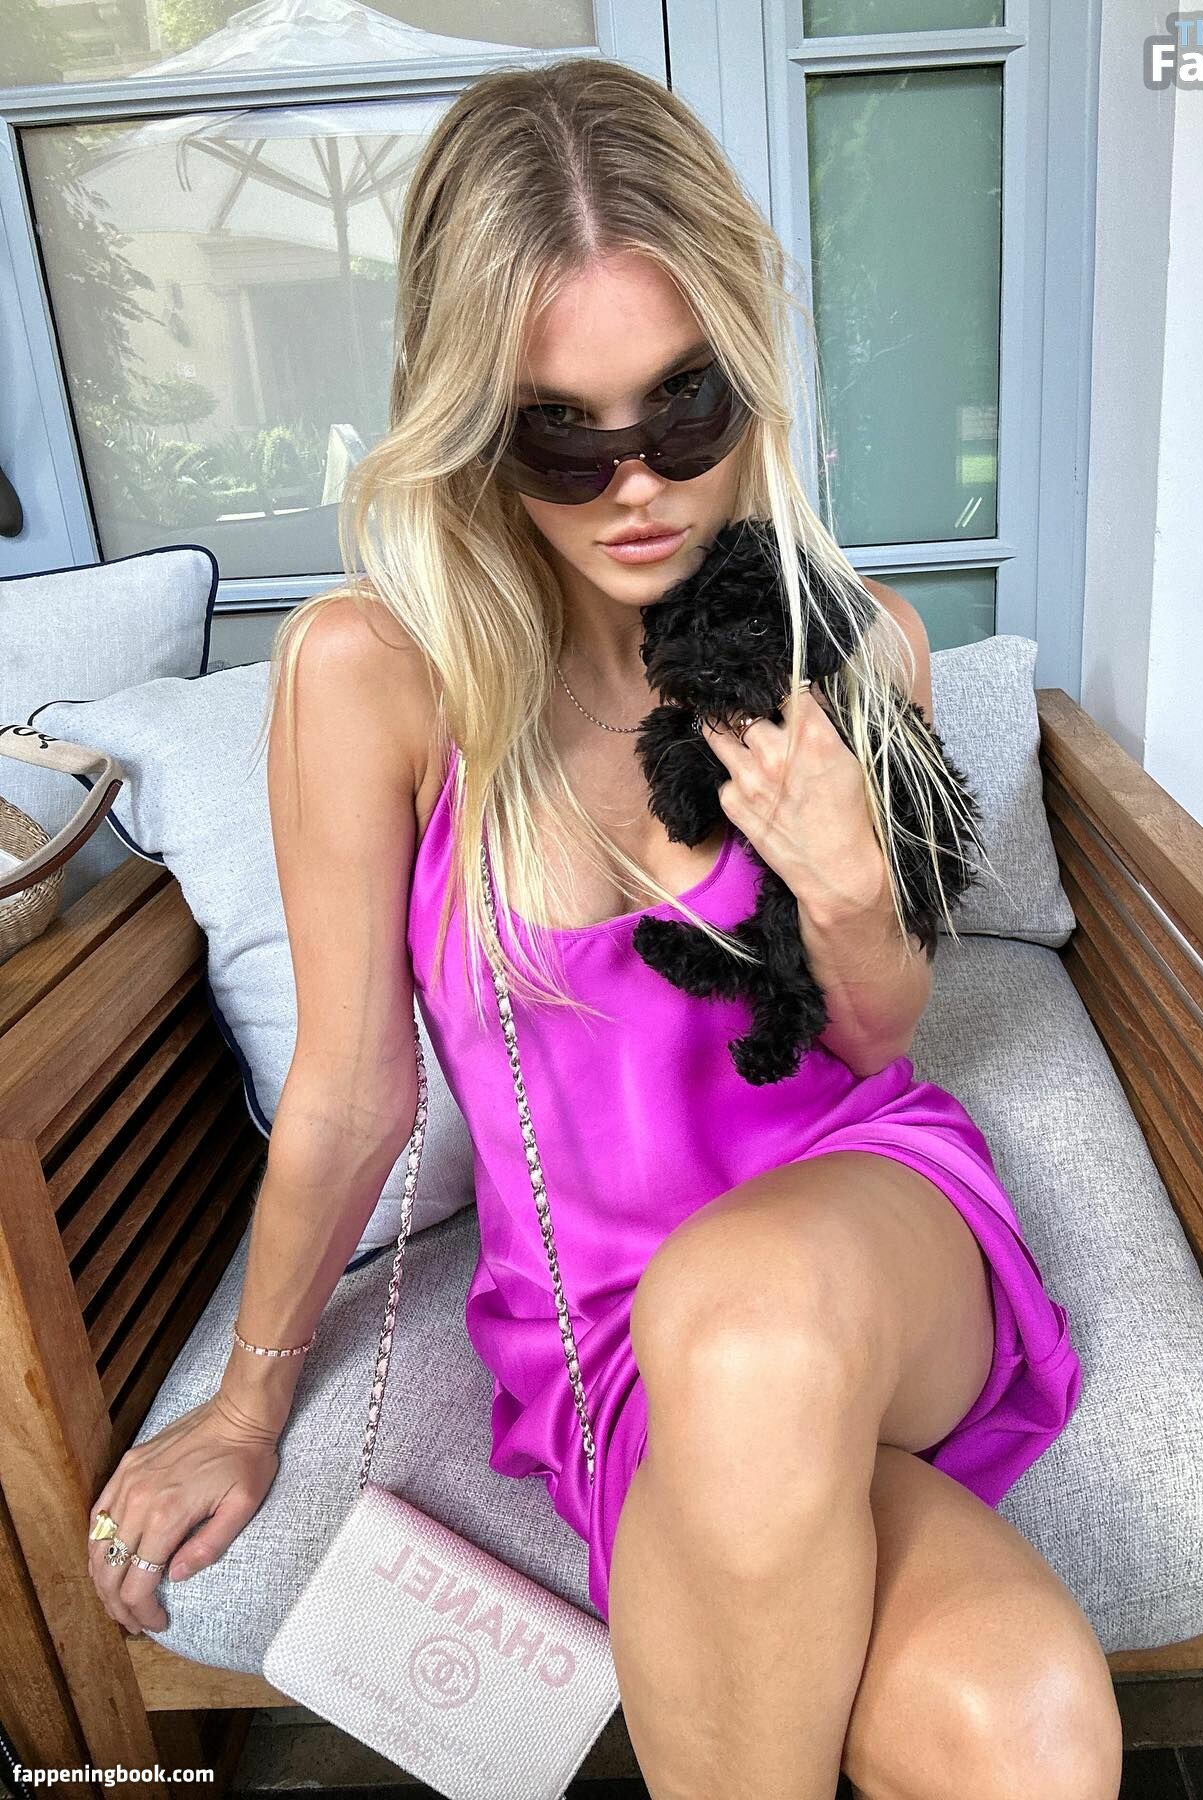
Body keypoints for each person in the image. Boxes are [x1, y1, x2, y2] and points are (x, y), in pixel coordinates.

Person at [87, 57, 1121, 1800]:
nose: (636, 484)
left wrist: (848, 884)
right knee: (1015, 1724)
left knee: (759, 1318)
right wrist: (248, 1405)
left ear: (745, 375)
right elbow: (351, 1093)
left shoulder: (848, 643)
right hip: (619, 1336)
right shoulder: (376, 678)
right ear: (466, 422)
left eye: (682, 410)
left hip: (876, 1247)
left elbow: (876, 1038)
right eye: (561, 432)